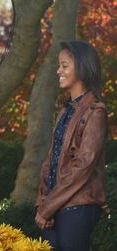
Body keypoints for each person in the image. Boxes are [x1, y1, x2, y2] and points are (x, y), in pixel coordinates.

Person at [35, 40, 107, 250]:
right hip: (54, 206)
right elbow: (51, 162)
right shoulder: (66, 111)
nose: (59, 71)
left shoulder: (95, 112)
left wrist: (47, 207)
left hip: (77, 206)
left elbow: (83, 166)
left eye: (64, 66)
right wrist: (42, 204)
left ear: (83, 67)